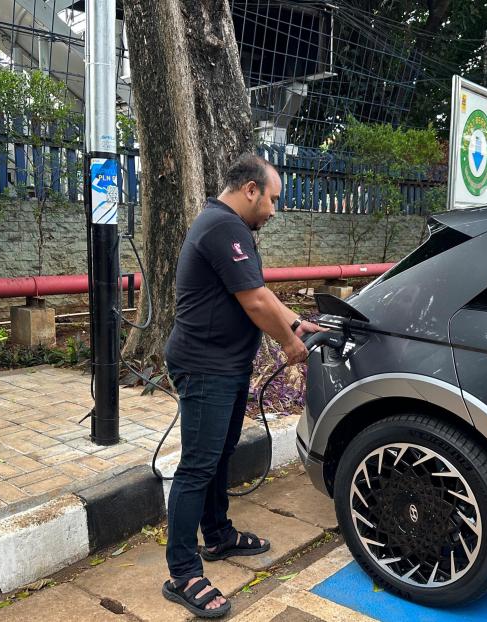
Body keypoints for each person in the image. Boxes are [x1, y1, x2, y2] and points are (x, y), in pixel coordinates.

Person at [161, 153, 324, 618]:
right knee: (197, 466)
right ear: (250, 189)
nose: (274, 210)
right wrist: (289, 344)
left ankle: (218, 536)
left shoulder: (233, 230)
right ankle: (183, 572)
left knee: (218, 457)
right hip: (205, 367)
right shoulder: (223, 226)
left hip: (225, 366)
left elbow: (260, 289)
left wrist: (296, 322)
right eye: (272, 199)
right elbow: (253, 302)